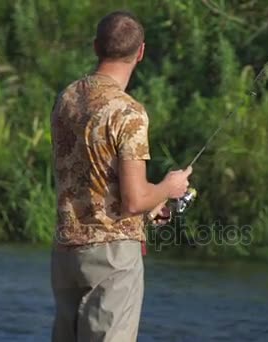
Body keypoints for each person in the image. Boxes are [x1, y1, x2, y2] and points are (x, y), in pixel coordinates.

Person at [49, 10, 193, 342]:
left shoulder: (66, 99)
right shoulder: (128, 113)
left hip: (65, 252)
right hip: (112, 258)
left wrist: (150, 206)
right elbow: (133, 200)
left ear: (96, 46)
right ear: (140, 52)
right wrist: (168, 188)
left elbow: (89, 171)